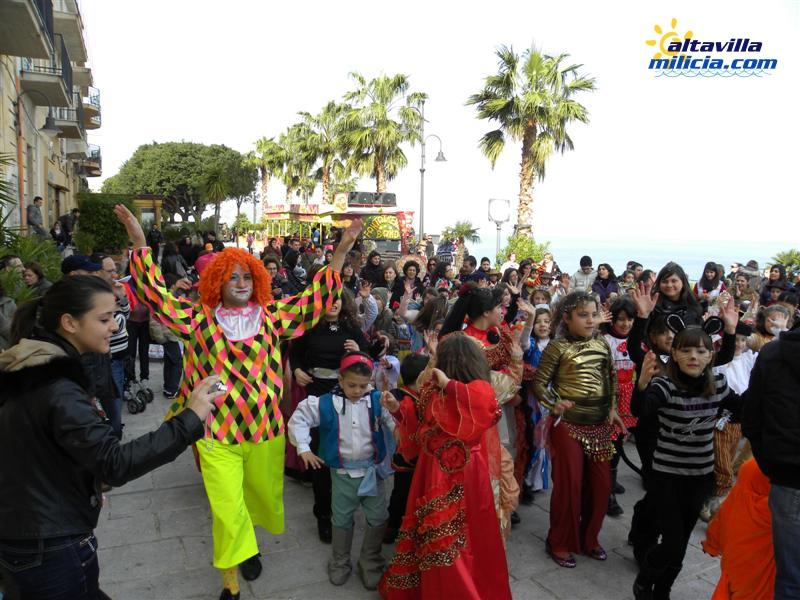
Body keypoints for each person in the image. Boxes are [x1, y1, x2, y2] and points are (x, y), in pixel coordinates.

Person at [114, 203, 361, 600]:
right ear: (217, 281)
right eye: (232, 276)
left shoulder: (273, 316)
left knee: (256, 499)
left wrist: (341, 251)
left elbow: (316, 300)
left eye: (247, 276)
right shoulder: (198, 319)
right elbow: (155, 297)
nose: (241, 282)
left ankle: (249, 545)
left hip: (265, 430)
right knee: (227, 506)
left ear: (258, 279)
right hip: (216, 433)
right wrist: (140, 243)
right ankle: (230, 583)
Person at [0, 275, 224, 599]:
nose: (115, 327)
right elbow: (114, 462)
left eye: (115, 316)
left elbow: (41, 451)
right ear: (69, 323)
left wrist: (81, 480)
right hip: (49, 545)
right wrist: (189, 418)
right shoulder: (56, 387)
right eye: (104, 319)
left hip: (34, 531)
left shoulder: (32, 363)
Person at [379, 334, 512, 600]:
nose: (434, 363)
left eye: (439, 359)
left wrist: (449, 384)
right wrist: (397, 409)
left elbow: (484, 405)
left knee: (455, 534)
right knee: (435, 533)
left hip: (464, 471)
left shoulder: (477, 389)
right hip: (432, 468)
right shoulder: (432, 390)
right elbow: (419, 427)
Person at [632, 322, 741, 600]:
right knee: (672, 542)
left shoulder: (718, 384)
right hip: (666, 476)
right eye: (686, 350)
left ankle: (663, 591)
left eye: (701, 351)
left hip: (700, 476)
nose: (694, 356)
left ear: (710, 356)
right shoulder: (665, 386)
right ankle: (645, 580)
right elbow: (641, 410)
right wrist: (641, 385)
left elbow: (742, 410)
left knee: (679, 546)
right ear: (675, 354)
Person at [288, 352, 395, 590]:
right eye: (352, 385)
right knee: (342, 518)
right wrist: (303, 447)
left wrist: (397, 422)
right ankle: (340, 561)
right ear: (340, 380)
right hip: (342, 476)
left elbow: (394, 422)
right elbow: (300, 418)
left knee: (378, 517)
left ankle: (370, 561)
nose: (357, 390)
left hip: (372, 473)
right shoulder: (325, 403)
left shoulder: (378, 400)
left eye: (363, 386)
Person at [533, 291, 624, 569]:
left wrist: (613, 408)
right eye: (583, 315)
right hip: (568, 425)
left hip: (600, 426)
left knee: (601, 487)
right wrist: (554, 403)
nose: (590, 320)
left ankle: (589, 538)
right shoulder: (557, 347)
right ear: (567, 318)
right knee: (569, 487)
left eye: (594, 315)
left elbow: (611, 378)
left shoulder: (602, 344)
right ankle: (558, 541)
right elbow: (538, 384)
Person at [288, 289, 374, 543]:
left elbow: (368, 357)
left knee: (347, 450)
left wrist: (359, 350)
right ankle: (323, 514)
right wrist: (297, 370)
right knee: (322, 454)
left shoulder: (351, 328)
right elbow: (295, 354)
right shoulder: (310, 327)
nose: (333, 304)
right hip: (318, 392)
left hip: (349, 396)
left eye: (336, 298)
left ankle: (346, 507)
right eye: (327, 298)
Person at [741, 322, 800, 599]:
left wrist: (773, 465)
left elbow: (752, 418)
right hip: (788, 475)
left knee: (790, 578)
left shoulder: (773, 353)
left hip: (787, 477)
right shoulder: (773, 353)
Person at [702, 459, 775, 600]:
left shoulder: (750, 471)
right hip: (760, 568)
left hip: (734, 558)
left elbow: (722, 516)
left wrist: (712, 543)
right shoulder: (774, 510)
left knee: (730, 586)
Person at [383, 353, 430, 544]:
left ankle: (418, 527)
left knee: (422, 493)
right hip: (407, 457)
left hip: (427, 456)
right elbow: (398, 407)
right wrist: (394, 406)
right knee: (401, 494)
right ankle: (393, 525)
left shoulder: (429, 394)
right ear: (422, 375)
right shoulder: (401, 394)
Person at [603, 297, 637, 517]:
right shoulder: (605, 341)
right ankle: (607, 492)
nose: (626, 324)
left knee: (620, 440)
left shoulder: (637, 339)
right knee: (611, 442)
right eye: (621, 319)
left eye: (629, 319)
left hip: (629, 396)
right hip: (612, 396)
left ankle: (612, 479)